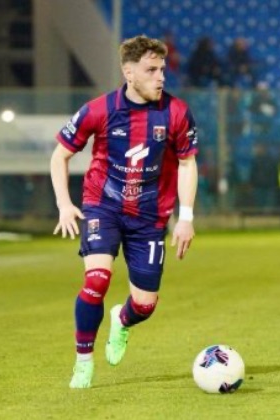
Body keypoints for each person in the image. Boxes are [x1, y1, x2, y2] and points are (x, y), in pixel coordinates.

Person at [50, 35, 199, 389]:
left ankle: (123, 321)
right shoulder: (99, 109)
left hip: (149, 217)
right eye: (151, 70)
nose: (160, 77)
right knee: (97, 280)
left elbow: (187, 163)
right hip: (103, 204)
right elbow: (60, 155)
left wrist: (187, 217)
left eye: (162, 70)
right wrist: (64, 203)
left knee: (145, 305)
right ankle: (83, 362)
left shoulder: (175, 111)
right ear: (128, 72)